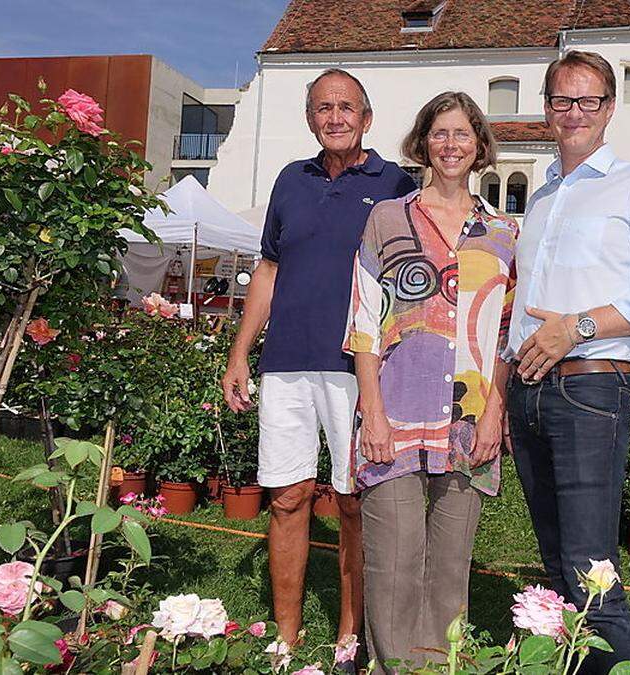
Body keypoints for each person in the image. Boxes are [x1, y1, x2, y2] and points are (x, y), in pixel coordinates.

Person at [504, 51, 630, 674]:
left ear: (610, 107)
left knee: (593, 575)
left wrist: (577, 327)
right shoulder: (542, 193)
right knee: (558, 569)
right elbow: (523, 304)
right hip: (529, 391)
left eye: (589, 101)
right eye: (562, 101)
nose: (575, 113)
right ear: (547, 109)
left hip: (591, 389)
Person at [220, 69, 417, 669]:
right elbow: (269, 271)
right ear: (311, 118)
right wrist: (239, 351)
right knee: (287, 496)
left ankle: (350, 633)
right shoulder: (290, 180)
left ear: (367, 117)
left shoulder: (397, 184)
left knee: (355, 501)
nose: (335, 116)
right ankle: (286, 634)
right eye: (323, 107)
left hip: (356, 368)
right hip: (285, 366)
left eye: (346, 107)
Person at [344, 91, 516, 672]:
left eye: (462, 135)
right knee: (393, 560)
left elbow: (506, 336)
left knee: (450, 565)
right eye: (440, 134)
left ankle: (438, 665)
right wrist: (372, 412)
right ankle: (396, 666)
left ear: (479, 147)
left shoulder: (502, 233)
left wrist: (494, 413)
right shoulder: (387, 218)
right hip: (394, 412)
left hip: (469, 423)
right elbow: (363, 322)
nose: (450, 146)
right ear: (423, 142)